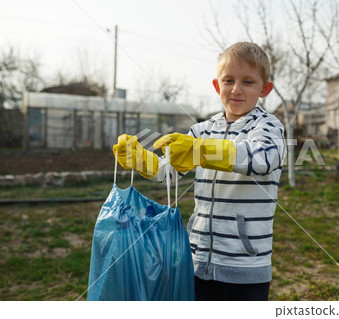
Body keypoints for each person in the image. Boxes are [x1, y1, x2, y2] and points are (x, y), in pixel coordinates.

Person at [114, 42, 286, 301]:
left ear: (265, 89)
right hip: (196, 260)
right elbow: (168, 172)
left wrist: (204, 152)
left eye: (248, 82)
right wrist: (141, 160)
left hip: (245, 266)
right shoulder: (201, 130)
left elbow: (262, 157)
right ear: (217, 86)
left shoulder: (268, 125)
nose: (236, 89)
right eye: (228, 80)